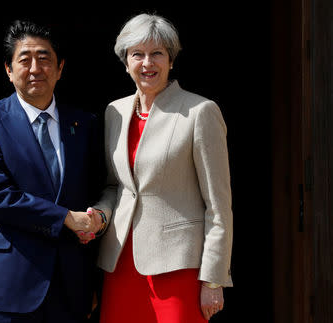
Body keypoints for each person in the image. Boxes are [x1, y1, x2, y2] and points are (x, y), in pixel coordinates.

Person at [89, 13, 234, 322]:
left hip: (178, 269)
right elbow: (117, 186)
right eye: (137, 54)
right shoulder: (114, 111)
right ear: (125, 61)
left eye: (157, 53)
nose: (147, 63)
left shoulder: (200, 112)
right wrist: (99, 213)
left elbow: (218, 206)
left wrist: (213, 279)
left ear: (171, 59)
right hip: (120, 264)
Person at [0, 20, 105, 323]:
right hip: (7, 289)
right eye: (24, 59)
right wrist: (66, 218)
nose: (35, 68)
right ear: (8, 69)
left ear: (60, 68)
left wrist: (95, 281)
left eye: (44, 59)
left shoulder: (85, 124)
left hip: (71, 291)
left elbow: (97, 191)